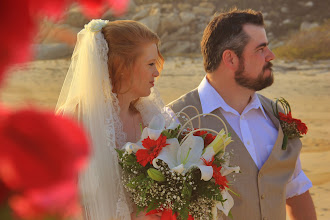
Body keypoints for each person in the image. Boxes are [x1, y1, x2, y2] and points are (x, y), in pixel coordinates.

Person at [168, 9, 317, 220]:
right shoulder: (175, 120)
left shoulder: (277, 117)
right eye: (260, 49)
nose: (271, 55)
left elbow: (296, 190)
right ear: (230, 59)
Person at [56, 19, 168, 220]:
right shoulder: (74, 119)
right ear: (123, 67)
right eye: (150, 64)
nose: (156, 72)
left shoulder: (154, 118)